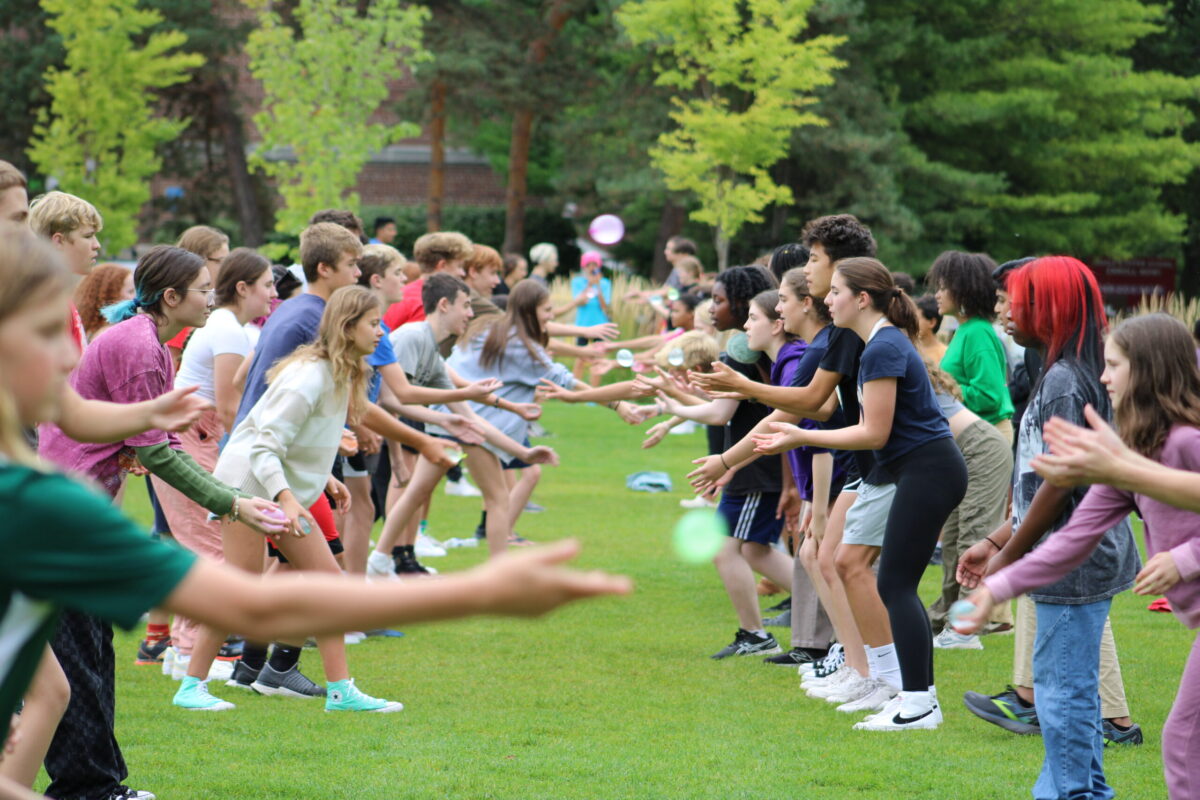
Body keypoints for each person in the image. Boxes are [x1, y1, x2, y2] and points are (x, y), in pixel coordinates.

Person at [0, 223, 630, 798]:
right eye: (46, 333)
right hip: (252, 487)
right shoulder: (42, 504)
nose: (71, 358)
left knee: (56, 690)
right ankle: (218, 688)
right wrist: (478, 593)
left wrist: (147, 421)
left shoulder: (51, 500)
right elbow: (249, 599)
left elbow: (84, 413)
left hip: (249, 492)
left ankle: (203, 706)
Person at [36, 243, 285, 800]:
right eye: (202, 288)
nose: (211, 297)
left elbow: (143, 436)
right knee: (77, 662)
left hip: (79, 512)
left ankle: (98, 783)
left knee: (92, 654)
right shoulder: (139, 344)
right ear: (171, 297)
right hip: (63, 519)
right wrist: (234, 503)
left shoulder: (148, 341)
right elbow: (155, 453)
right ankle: (87, 787)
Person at [958, 313, 1198, 798]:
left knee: (1182, 743)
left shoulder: (1188, 442)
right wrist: (996, 588)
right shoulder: (1135, 451)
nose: (1103, 377)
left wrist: (1185, 559)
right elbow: (1072, 538)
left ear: (1148, 371)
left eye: (1114, 366)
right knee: (1183, 743)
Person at [754, 257, 968, 731]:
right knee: (857, 565)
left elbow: (873, 432)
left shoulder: (883, 348)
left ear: (862, 298)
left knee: (895, 585)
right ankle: (899, 691)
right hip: (909, 471)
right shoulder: (876, 344)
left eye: (835, 293)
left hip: (929, 471)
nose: (826, 301)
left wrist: (801, 437)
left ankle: (919, 702)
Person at [954, 256, 1142, 781]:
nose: (1007, 313)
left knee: (1062, 693)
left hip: (1073, 557)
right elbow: (1042, 482)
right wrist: (997, 541)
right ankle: (1080, 790)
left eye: (1017, 301)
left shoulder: (1065, 380)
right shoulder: (1065, 372)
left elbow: (1060, 486)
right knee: (1067, 689)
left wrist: (1009, 561)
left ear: (1050, 308)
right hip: (1072, 552)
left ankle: (1072, 792)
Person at [178, 287, 403, 713]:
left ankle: (340, 692)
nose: (381, 332)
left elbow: (304, 440)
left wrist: (323, 483)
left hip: (273, 486)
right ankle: (191, 686)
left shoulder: (340, 372)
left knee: (324, 585)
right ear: (347, 326)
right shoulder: (311, 375)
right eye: (374, 323)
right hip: (247, 485)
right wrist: (287, 497)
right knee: (241, 592)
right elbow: (264, 445)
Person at [367, 275, 559, 575]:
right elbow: (396, 397)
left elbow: (468, 414)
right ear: (444, 305)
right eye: (466, 305)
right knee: (374, 505)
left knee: (414, 493)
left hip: (404, 426)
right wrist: (458, 403)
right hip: (363, 425)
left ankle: (381, 562)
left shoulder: (431, 345)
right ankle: (380, 564)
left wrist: (523, 453)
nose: (471, 314)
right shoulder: (413, 336)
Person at [150, 248, 277, 669]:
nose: (273, 296)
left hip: (196, 433)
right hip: (193, 435)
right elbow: (227, 406)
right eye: (267, 285)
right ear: (243, 288)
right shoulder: (228, 330)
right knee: (208, 547)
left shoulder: (231, 328)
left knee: (199, 545)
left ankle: (182, 648)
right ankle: (190, 651)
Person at [928, 251, 1015, 440]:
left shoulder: (977, 332)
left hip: (988, 438)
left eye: (943, 288)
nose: (937, 295)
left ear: (963, 292)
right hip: (975, 434)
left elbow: (989, 396)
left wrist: (943, 387)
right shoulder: (965, 330)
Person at [27, 191, 102, 352]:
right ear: (59, 241)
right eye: (88, 236)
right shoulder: (43, 300)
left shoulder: (54, 295)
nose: (97, 245)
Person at [75, 265, 135, 341]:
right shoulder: (108, 334)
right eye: (131, 291)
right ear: (111, 296)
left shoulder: (91, 331)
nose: (136, 297)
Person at [914, 294, 946, 363]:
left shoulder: (944, 355)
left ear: (932, 322)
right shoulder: (908, 348)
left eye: (916, 319)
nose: (911, 323)